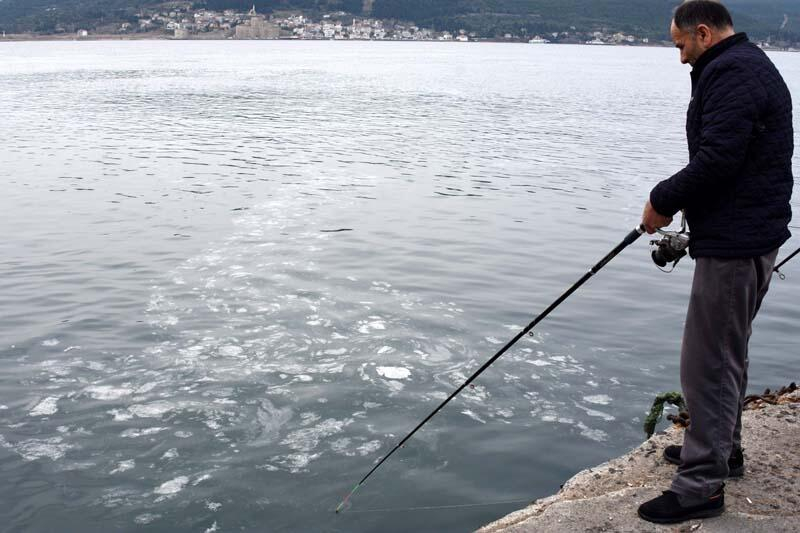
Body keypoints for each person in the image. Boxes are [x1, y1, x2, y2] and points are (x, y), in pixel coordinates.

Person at [638, 0, 793, 524]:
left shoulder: (732, 73)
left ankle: (702, 484)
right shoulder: (744, 66)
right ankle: (722, 449)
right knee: (727, 352)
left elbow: (718, 159)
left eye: (681, 45)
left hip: (736, 242)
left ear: (703, 33)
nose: (680, 57)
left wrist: (661, 200)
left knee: (706, 362)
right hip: (747, 233)